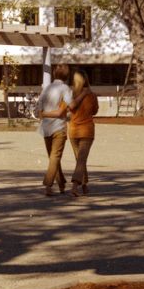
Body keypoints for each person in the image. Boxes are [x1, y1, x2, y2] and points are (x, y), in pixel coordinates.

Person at [37, 63, 73, 196]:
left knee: (53, 158)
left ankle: (61, 183)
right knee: (55, 157)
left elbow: (39, 109)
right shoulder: (65, 89)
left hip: (45, 127)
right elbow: (67, 108)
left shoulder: (46, 89)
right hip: (58, 126)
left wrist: (45, 114)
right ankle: (48, 185)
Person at [68, 69, 100, 197]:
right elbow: (94, 111)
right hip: (87, 131)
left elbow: (69, 108)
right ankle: (76, 186)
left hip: (74, 131)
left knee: (80, 159)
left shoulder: (70, 94)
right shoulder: (91, 95)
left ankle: (84, 185)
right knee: (81, 160)